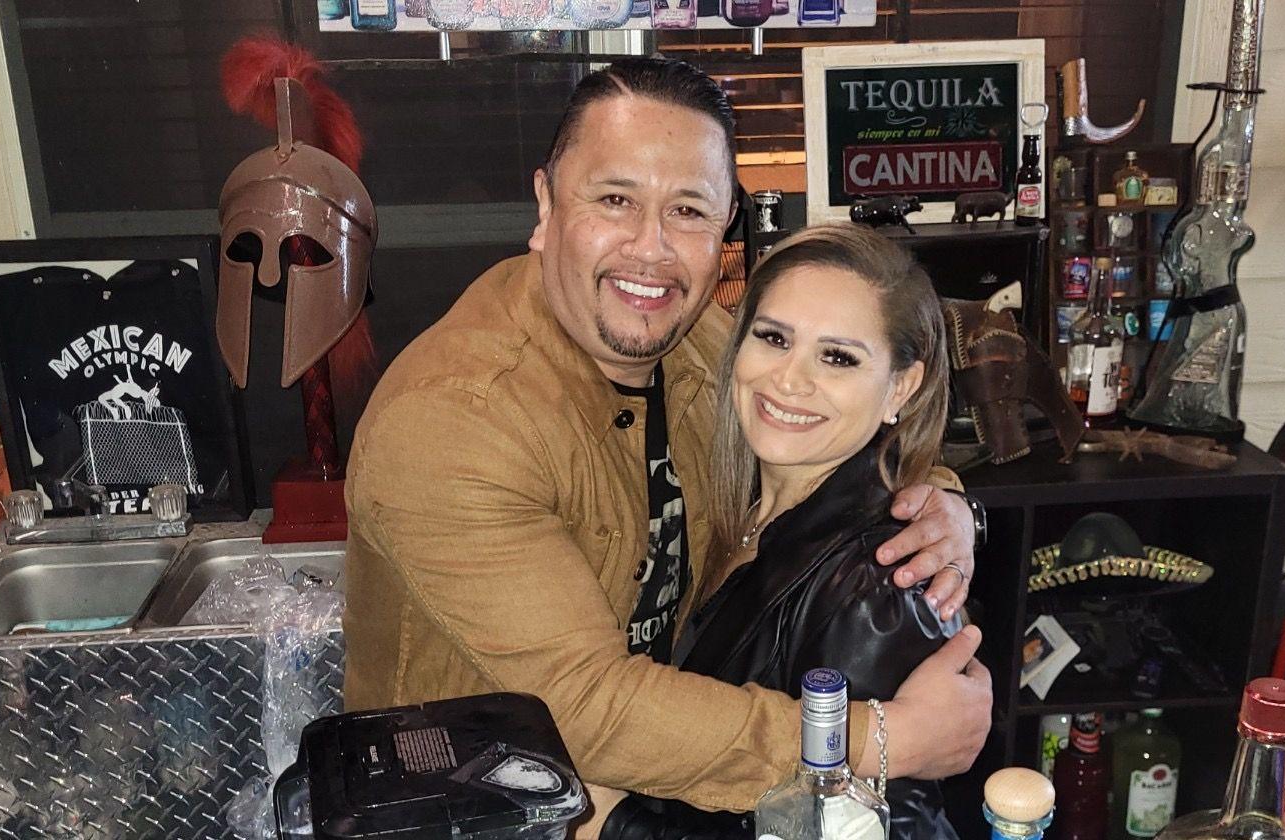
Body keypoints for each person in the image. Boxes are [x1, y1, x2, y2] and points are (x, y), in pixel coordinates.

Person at [343, 56, 992, 818]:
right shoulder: (453, 421)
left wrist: (942, 506)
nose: (650, 249)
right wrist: (873, 740)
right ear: (546, 204)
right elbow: (586, 706)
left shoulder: (689, 342)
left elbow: (827, 411)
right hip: (474, 816)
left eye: (688, 210)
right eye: (615, 199)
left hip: (654, 797)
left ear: (725, 225)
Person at [604, 223, 967, 840]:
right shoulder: (734, 504)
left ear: (901, 387)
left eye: (838, 357)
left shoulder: (878, 585)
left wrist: (616, 825)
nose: (790, 379)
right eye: (773, 338)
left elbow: (877, 830)